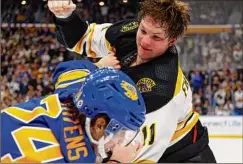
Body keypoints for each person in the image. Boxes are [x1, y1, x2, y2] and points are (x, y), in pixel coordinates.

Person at [48, 0, 216, 162]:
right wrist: (65, 16)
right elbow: (83, 38)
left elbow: (136, 157)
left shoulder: (161, 91)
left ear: (171, 41)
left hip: (183, 157)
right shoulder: (128, 32)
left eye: (156, 37)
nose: (144, 42)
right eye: (143, 30)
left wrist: (98, 69)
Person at [1, 60, 146, 163]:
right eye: (121, 133)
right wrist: (116, 161)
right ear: (100, 125)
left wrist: (98, 66)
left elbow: (69, 68)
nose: (121, 141)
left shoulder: (73, 95)